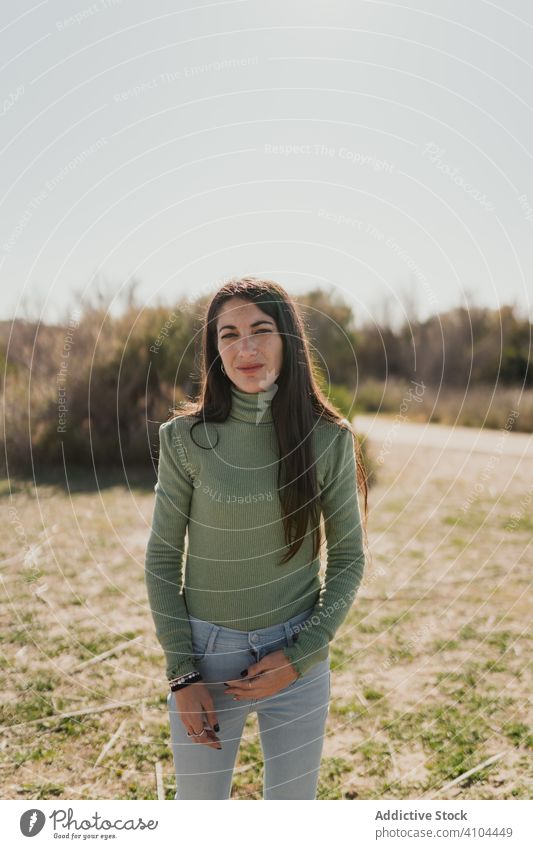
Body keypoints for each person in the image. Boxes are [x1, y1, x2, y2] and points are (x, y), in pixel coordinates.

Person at [144, 276, 369, 800]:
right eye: (228, 334)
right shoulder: (185, 440)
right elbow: (161, 557)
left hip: (298, 654)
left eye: (260, 329)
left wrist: (301, 654)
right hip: (206, 655)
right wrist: (182, 673)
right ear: (214, 349)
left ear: (287, 340)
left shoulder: (328, 440)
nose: (245, 347)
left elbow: (349, 559)